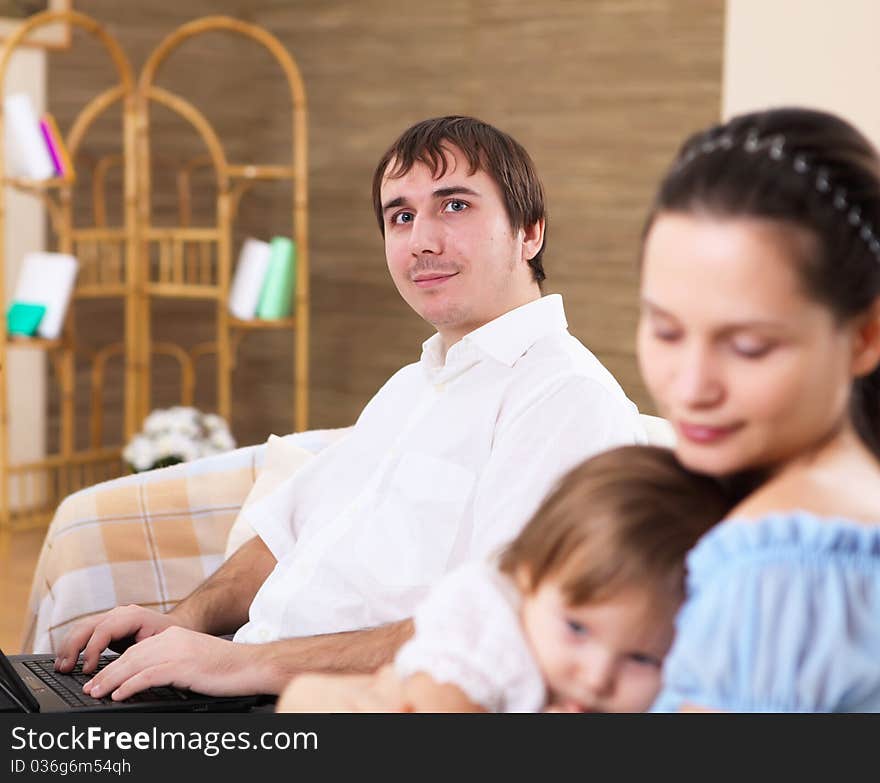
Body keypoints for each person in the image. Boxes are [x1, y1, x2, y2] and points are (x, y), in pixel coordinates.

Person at [53, 115, 644, 701]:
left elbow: (503, 635)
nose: (422, 241)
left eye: (455, 205)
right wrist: (183, 622)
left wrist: (240, 665)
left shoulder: (564, 399)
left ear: (530, 232)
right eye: (402, 216)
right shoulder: (413, 385)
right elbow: (282, 538)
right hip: (247, 683)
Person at [637, 107, 880, 712]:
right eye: (665, 331)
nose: (692, 387)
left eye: (749, 348)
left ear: (865, 337)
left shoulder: (777, 574)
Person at [275, 445, 732, 713]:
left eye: (642, 659)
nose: (596, 678)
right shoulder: (489, 626)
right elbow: (435, 703)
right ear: (527, 577)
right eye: (576, 629)